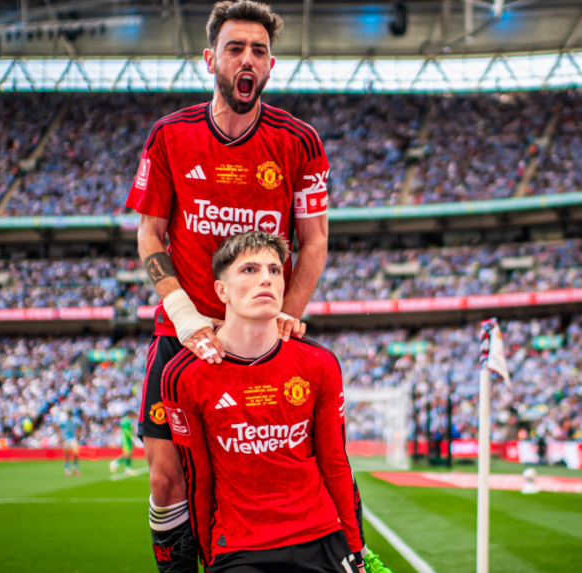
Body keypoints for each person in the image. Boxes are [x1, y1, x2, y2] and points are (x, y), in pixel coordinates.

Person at [124, 1, 371, 570]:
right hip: (182, 335)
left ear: (270, 66)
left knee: (280, 466)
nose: (247, 59)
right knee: (167, 479)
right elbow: (150, 233)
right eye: (235, 48)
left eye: (259, 50)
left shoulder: (300, 141)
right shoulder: (170, 135)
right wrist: (184, 313)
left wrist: (287, 313)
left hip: (261, 334)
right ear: (211, 58)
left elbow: (313, 242)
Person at [163, 231, 365, 572]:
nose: (266, 280)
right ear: (221, 290)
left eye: (275, 270)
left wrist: (355, 549)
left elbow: (335, 462)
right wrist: (209, 558)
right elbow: (197, 478)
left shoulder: (319, 363)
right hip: (239, 548)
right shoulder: (184, 375)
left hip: (321, 537)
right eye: (250, 270)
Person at [56, 410, 82, 476]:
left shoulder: (74, 420)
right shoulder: (63, 421)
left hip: (72, 438)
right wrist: (60, 437)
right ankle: (67, 469)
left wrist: (79, 434)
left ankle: (75, 467)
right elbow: (58, 427)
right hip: (65, 439)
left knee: (76, 453)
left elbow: (80, 426)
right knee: (66, 455)